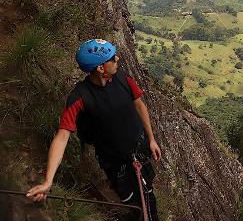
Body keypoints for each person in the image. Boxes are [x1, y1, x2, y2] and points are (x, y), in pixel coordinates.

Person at [27, 39, 161, 220]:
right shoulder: (80, 97)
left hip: (140, 151)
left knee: (148, 196)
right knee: (130, 200)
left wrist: (151, 139)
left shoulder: (122, 77)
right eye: (112, 58)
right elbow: (62, 137)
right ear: (100, 68)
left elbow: (139, 105)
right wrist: (48, 181)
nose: (117, 59)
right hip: (114, 162)